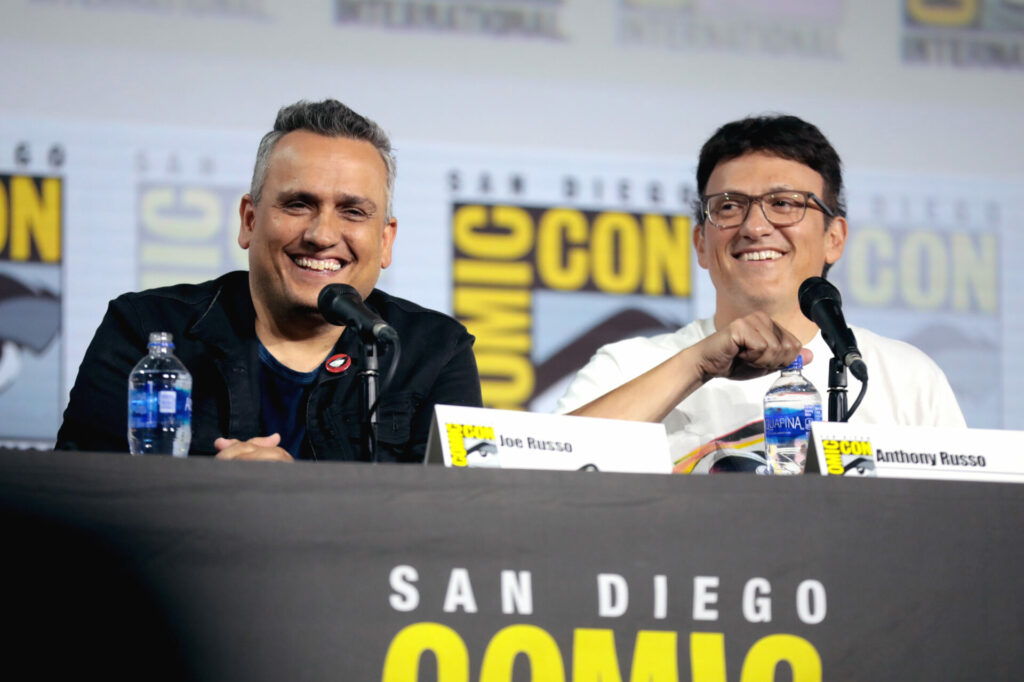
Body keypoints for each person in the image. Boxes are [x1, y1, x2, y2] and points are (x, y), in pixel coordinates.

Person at [57, 99, 482, 461]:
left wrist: (289, 501)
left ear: (385, 240)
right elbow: (71, 502)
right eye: (298, 204)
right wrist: (212, 499)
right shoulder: (143, 327)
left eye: (353, 211)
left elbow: (464, 521)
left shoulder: (436, 352)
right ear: (249, 220)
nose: (322, 235)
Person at [556, 115, 965, 470]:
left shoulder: (905, 378)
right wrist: (695, 365)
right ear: (701, 242)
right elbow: (545, 474)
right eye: (730, 206)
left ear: (834, 238)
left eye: (785, 203)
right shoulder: (629, 367)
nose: (754, 226)